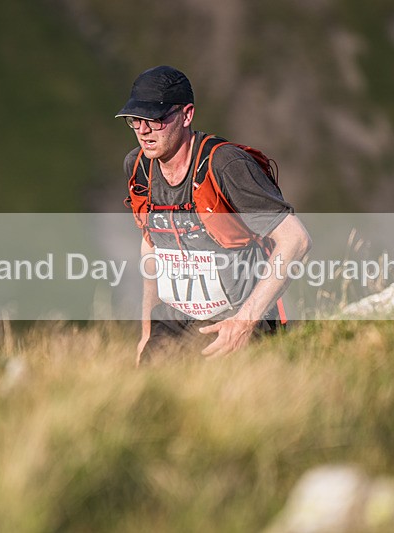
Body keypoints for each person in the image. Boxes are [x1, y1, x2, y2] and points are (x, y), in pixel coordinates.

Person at [116, 65, 311, 365]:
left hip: (237, 319)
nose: (143, 130)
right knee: (149, 392)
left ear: (186, 115)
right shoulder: (139, 166)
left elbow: (296, 240)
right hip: (174, 321)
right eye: (135, 120)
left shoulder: (226, 165)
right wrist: (146, 332)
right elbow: (151, 246)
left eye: (155, 118)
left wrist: (244, 322)